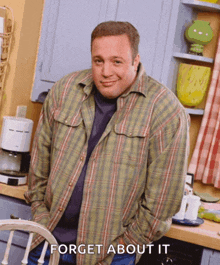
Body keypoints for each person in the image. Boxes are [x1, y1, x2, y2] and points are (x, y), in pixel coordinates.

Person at [25, 21, 190, 265]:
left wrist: (125, 245)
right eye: (98, 60)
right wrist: (40, 215)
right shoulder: (64, 91)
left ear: (135, 60)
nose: (105, 71)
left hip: (110, 256)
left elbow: (163, 202)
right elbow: (39, 165)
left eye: (117, 61)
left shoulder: (165, 111)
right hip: (47, 243)